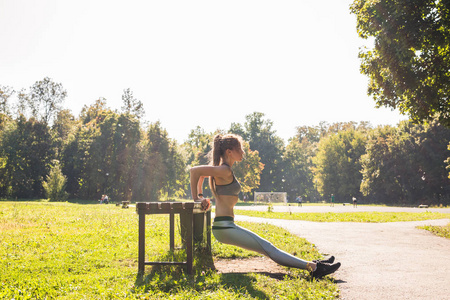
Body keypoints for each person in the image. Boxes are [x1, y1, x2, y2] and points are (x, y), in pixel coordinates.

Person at [190, 134, 340, 278]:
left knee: (267, 247)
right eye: (240, 149)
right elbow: (195, 171)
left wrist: (201, 196)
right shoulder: (224, 169)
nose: (243, 152)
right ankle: (314, 268)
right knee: (268, 248)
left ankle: (313, 265)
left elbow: (202, 175)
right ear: (229, 152)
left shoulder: (222, 169)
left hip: (226, 226)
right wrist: (197, 198)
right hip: (225, 228)